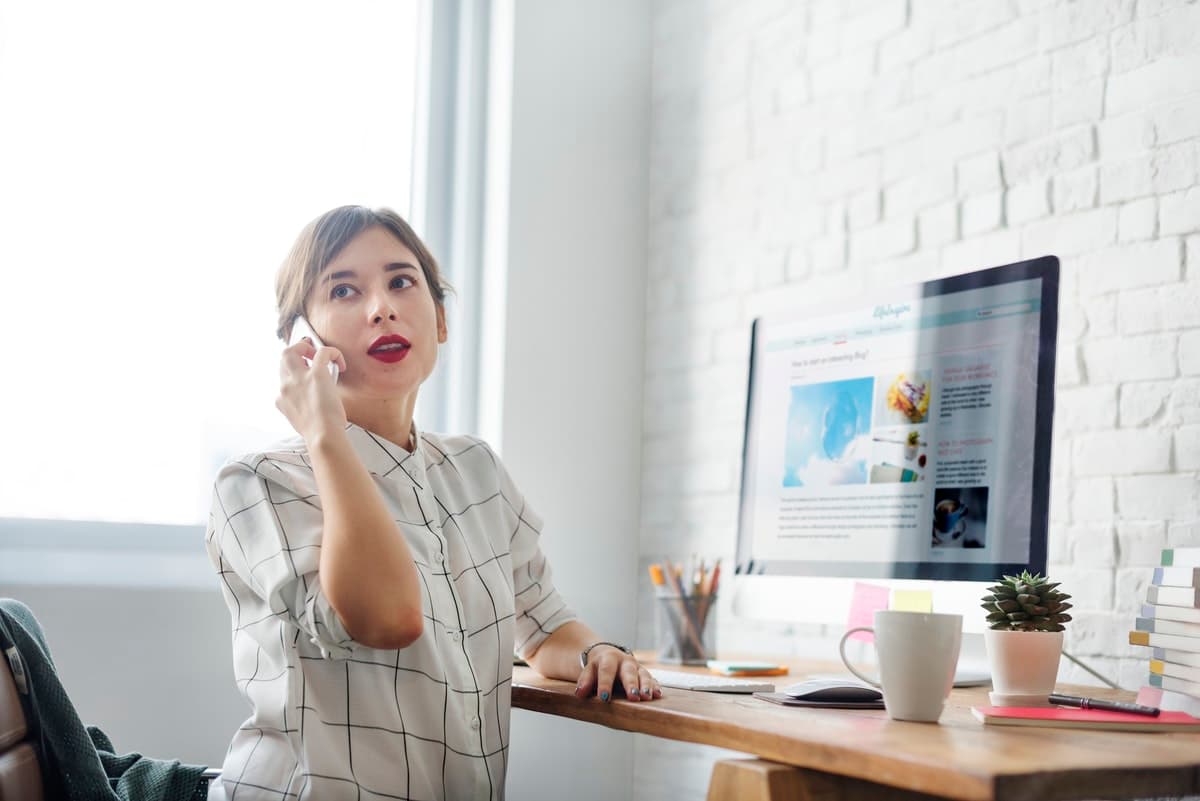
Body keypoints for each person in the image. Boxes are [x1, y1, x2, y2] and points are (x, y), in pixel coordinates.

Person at [204, 206, 659, 801]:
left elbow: (545, 629)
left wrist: (598, 651)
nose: (382, 307)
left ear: (440, 320)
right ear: (303, 343)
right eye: (344, 290)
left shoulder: (476, 471)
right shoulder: (257, 484)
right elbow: (386, 619)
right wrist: (324, 433)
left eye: (401, 281)